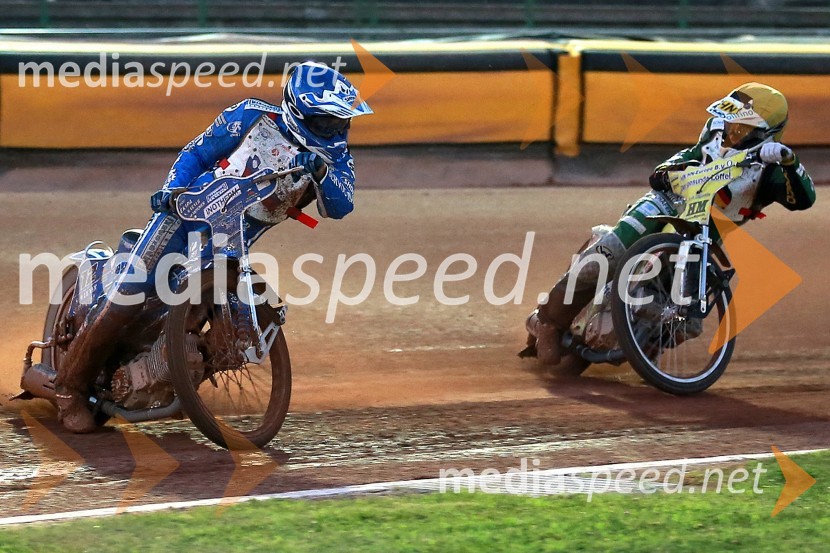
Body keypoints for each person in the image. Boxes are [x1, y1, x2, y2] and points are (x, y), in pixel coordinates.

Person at [53, 61, 372, 432]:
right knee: (129, 293)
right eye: (330, 121)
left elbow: (341, 205)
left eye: (342, 121)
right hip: (182, 218)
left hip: (230, 243)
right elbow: (196, 153)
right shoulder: (251, 116)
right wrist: (173, 188)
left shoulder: (336, 160)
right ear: (301, 112)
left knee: (209, 321)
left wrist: (320, 174)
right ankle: (69, 389)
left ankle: (167, 377)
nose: (339, 128)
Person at [523, 82, 816, 365]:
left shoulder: (774, 170)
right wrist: (670, 173)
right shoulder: (712, 138)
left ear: (766, 135)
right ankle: (549, 321)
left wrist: (789, 161)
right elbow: (663, 170)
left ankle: (642, 352)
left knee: (687, 323)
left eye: (741, 129)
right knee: (609, 253)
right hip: (664, 205)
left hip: (701, 237)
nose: (730, 133)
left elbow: (804, 199)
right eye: (730, 124)